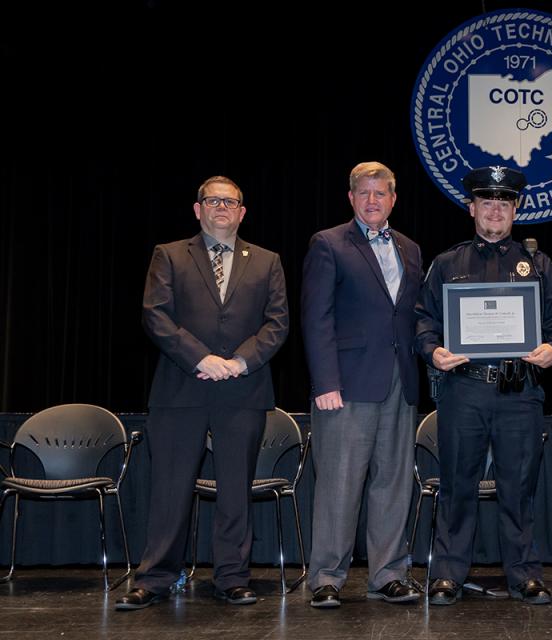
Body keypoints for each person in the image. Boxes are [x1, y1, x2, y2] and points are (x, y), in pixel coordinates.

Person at [117, 176, 289, 610]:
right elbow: (155, 315)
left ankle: (232, 577)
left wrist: (239, 361)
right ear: (198, 209)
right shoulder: (170, 255)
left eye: (230, 202)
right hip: (181, 388)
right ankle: (155, 577)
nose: (221, 208)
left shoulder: (267, 261)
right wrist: (201, 358)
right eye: (213, 201)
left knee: (235, 490)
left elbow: (277, 324)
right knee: (170, 488)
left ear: (242, 212)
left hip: (243, 388)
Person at [415, 165, 552, 606]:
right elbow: (423, 321)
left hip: (519, 392)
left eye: (504, 202)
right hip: (464, 390)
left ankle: (524, 575)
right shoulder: (447, 263)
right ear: (472, 208)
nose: (495, 210)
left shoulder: (538, 264)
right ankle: (447, 574)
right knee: (456, 484)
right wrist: (434, 352)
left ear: (516, 209)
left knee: (518, 488)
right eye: (487, 201)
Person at [302, 161, 422, 608]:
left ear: (393, 199)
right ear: (351, 198)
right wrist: (324, 381)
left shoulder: (410, 248)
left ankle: (388, 572)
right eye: (364, 193)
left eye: (381, 193)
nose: (373, 200)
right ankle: (327, 577)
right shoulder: (329, 244)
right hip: (346, 385)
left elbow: (408, 317)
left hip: (400, 382)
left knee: (393, 482)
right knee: (339, 482)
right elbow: (316, 318)